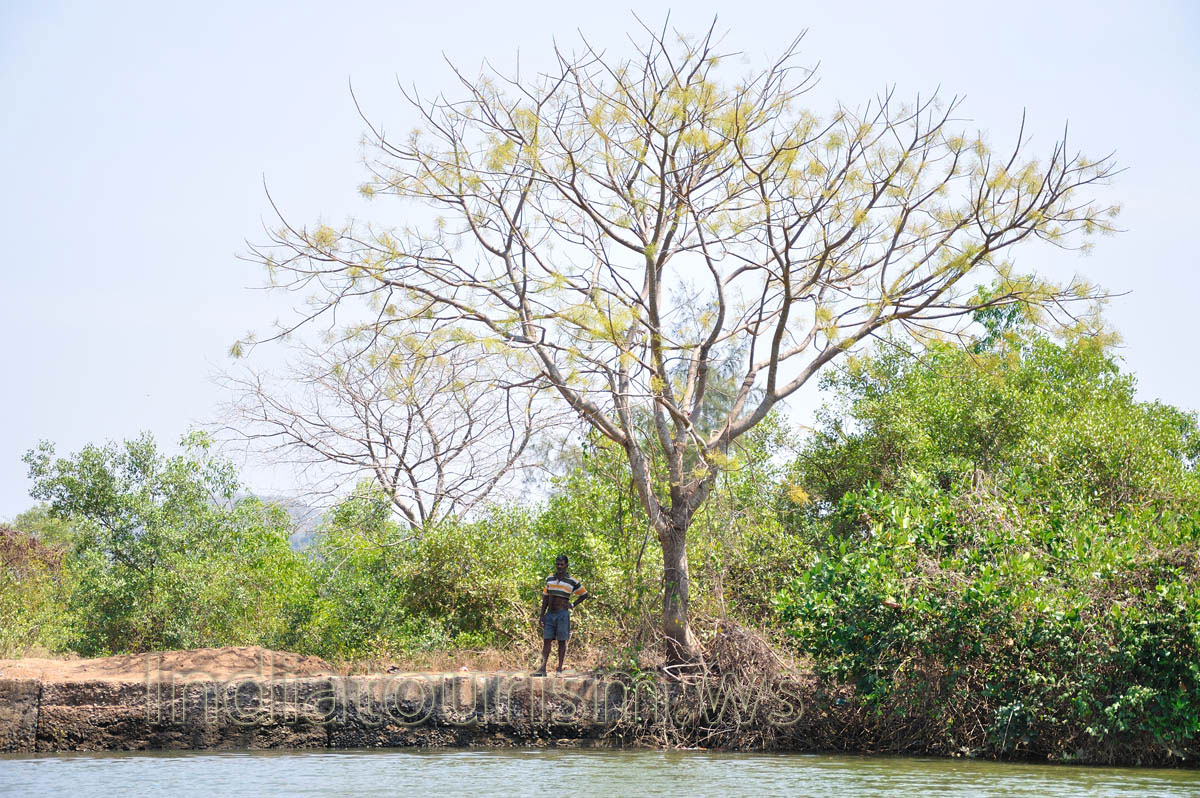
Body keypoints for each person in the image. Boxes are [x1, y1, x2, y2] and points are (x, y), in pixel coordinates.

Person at [533, 555, 590, 676]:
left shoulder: (572, 581)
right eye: (557, 564)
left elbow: (584, 594)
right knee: (547, 640)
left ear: (566, 565)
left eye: (562, 564)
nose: (559, 566)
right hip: (550, 613)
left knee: (561, 641)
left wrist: (573, 604)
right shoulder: (549, 579)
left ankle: (559, 669)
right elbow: (546, 597)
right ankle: (542, 669)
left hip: (562, 614)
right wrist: (542, 615)